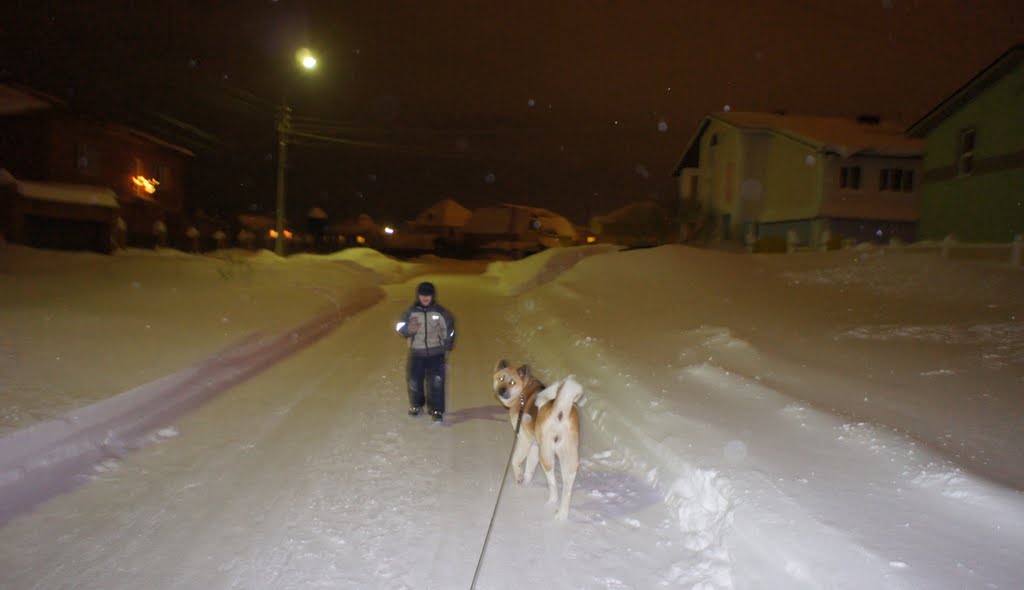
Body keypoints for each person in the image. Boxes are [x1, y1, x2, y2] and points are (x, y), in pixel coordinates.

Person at [396, 281, 455, 422]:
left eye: (428, 295)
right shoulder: (410, 312)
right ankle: (416, 405)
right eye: (423, 295)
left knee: (436, 382)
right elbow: (399, 327)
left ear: (433, 296)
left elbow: (450, 330)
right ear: (418, 296)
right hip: (416, 353)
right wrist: (408, 329)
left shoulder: (440, 312)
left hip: (436, 354)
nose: (425, 298)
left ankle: (436, 409)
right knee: (414, 380)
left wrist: (447, 346)